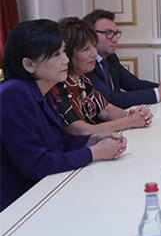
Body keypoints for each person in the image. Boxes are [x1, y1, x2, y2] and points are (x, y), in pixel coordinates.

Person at [0, 19, 127, 212]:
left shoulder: (40, 88)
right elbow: (35, 164)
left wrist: (92, 140)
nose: (66, 60)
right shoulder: (13, 94)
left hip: (44, 190)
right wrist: (95, 152)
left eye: (64, 51)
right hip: (19, 206)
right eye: (56, 54)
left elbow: (57, 140)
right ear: (28, 64)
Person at [50, 17, 153, 135]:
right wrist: (129, 121)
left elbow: (106, 110)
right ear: (68, 54)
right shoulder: (58, 86)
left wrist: (131, 114)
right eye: (85, 49)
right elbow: (82, 130)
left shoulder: (82, 79)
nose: (94, 53)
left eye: (94, 46)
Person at [83, 9, 161, 109]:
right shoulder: (85, 64)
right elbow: (111, 99)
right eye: (108, 33)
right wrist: (158, 92)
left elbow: (134, 84)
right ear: (91, 35)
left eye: (116, 33)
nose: (115, 39)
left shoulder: (111, 58)